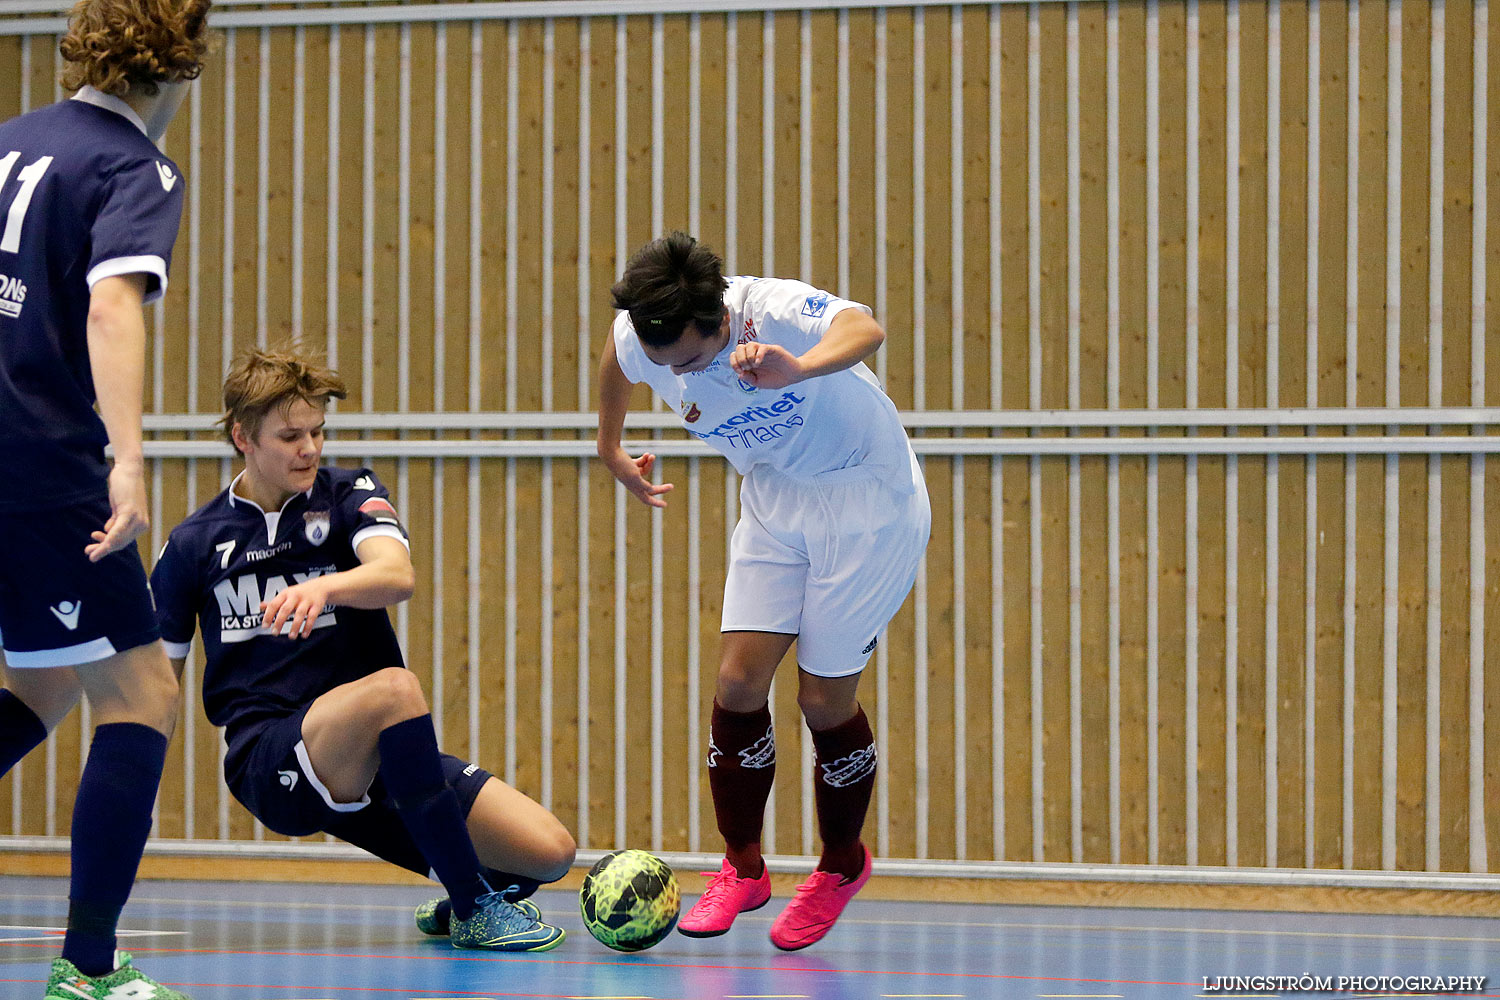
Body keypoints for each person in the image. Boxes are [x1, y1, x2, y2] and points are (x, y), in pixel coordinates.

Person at [148, 346, 576, 953]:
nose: (310, 448)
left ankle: (463, 888)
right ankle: (473, 905)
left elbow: (396, 576)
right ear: (243, 436)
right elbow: (155, 679)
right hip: (270, 756)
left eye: (318, 431)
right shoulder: (194, 543)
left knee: (549, 854)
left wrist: (324, 585)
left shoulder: (350, 494)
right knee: (395, 688)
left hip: (374, 753)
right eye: (291, 435)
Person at [596, 232, 930, 951]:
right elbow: (619, 360)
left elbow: (865, 326)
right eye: (665, 365)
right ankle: (744, 866)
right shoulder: (645, 330)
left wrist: (799, 367)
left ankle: (841, 864)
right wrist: (610, 447)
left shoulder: (767, 311)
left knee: (820, 700)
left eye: (688, 361)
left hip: (867, 502)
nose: (678, 377)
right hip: (777, 498)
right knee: (738, 683)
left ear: (719, 320)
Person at [0, 2, 212, 996]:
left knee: (40, 684)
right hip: (41, 463)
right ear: (181, 62)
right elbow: (109, 300)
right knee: (142, 695)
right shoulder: (135, 167)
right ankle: (87, 970)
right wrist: (125, 461)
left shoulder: (9, 144)